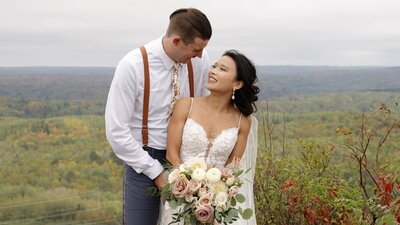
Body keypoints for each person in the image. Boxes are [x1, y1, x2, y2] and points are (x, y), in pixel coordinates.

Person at [105, 8, 212, 225]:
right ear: (176, 41)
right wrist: (155, 171)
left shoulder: (199, 60)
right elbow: (116, 132)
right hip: (144, 158)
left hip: (189, 157)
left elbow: (204, 107)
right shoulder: (132, 66)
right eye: (195, 49)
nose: (200, 55)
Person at [159, 50, 259, 224]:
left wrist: (213, 198)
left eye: (222, 69)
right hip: (181, 199)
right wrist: (189, 190)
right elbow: (171, 153)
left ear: (237, 84)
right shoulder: (185, 106)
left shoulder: (243, 121)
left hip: (217, 205)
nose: (213, 71)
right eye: (214, 66)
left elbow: (232, 170)